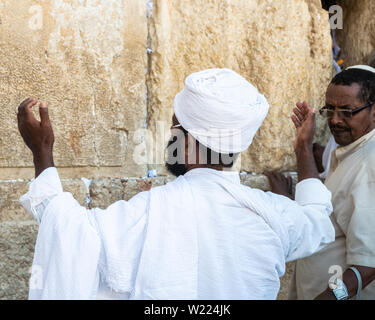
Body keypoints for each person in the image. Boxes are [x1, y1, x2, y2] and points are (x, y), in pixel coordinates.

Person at [17, 68, 334, 300]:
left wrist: (42, 152)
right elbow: (318, 219)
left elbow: (69, 232)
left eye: (173, 130)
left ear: (185, 142)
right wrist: (303, 149)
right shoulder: (273, 215)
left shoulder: (149, 212)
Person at [267, 66, 375, 300]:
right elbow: (321, 220)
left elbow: (368, 266)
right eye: (330, 110)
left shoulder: (370, 164)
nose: (335, 120)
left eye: (347, 112)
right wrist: (302, 147)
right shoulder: (350, 152)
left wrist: (327, 298)